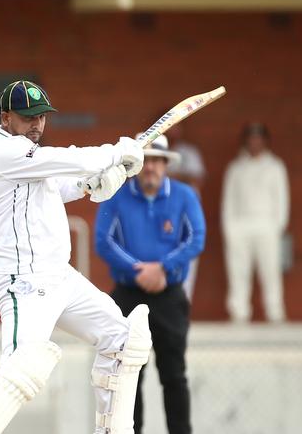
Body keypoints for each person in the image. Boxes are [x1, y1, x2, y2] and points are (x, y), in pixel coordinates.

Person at [0, 80, 152, 434]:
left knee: (123, 341)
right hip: (23, 279)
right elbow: (63, 158)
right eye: (28, 118)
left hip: (60, 276)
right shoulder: (2, 153)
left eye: (41, 117)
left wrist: (92, 184)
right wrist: (115, 152)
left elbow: (60, 184)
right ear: (5, 117)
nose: (36, 125)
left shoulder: (30, 160)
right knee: (20, 370)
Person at [95, 134, 206, 434]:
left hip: (169, 296)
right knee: (128, 377)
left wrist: (162, 269)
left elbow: (196, 238)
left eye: (158, 161)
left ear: (166, 165)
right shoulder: (116, 195)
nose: (151, 168)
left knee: (174, 376)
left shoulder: (184, 196)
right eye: (146, 161)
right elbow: (102, 241)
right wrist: (137, 271)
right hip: (128, 296)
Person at [221, 122, 290, 323]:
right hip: (240, 225)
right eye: (251, 138)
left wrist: (277, 227)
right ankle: (239, 313)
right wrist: (230, 229)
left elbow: (282, 200)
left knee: (270, 271)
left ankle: (275, 313)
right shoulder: (236, 168)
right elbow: (229, 201)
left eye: (258, 138)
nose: (255, 142)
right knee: (238, 271)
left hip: (267, 225)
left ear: (265, 141)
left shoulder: (276, 167)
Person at [166, 123, 207, 300]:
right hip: (161, 214)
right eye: (169, 126)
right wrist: (181, 177)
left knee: (187, 261)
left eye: (176, 126)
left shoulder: (189, 152)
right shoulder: (153, 151)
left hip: (185, 215)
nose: (173, 131)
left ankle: (182, 306)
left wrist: (171, 177)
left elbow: (197, 179)